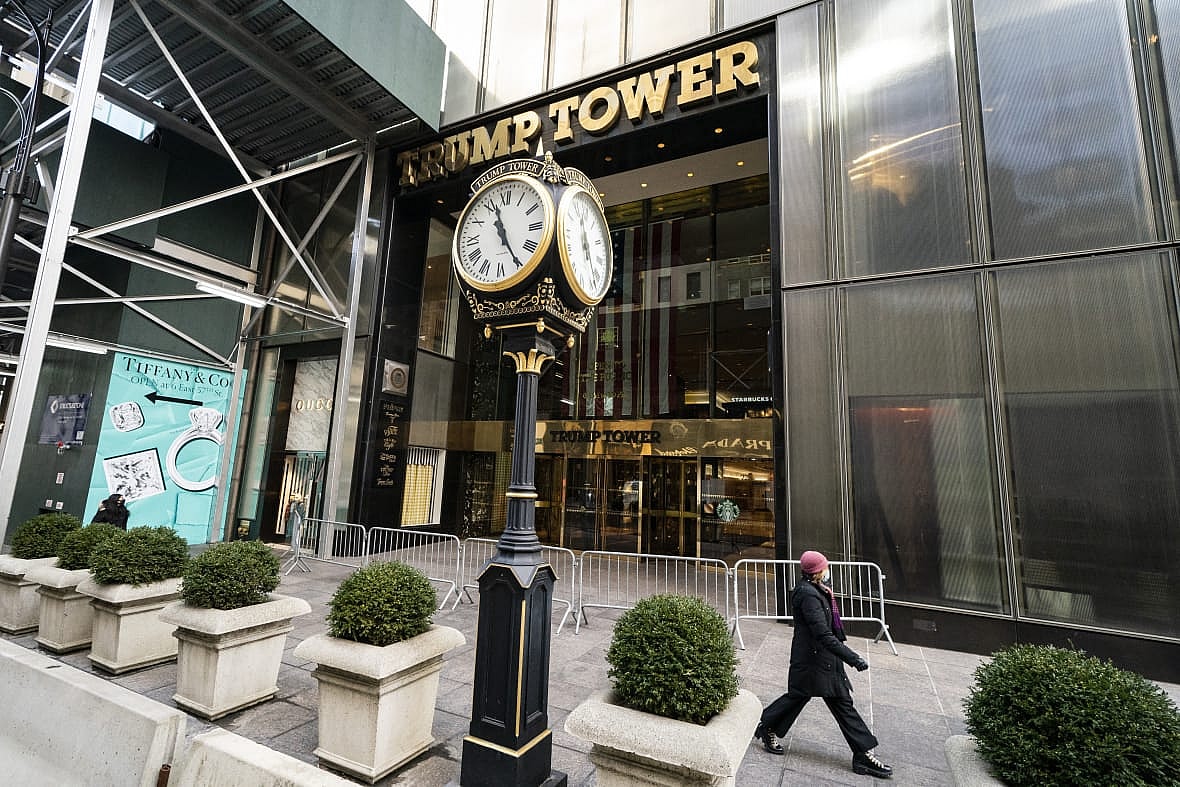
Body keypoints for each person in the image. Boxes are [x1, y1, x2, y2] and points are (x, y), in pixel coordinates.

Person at [753, 550, 893, 779]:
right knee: (825, 700)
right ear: (818, 571)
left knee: (812, 698)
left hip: (822, 659)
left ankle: (768, 725)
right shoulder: (808, 595)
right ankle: (863, 755)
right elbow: (822, 634)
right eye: (825, 567)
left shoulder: (817, 590)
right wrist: (852, 658)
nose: (828, 570)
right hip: (814, 661)